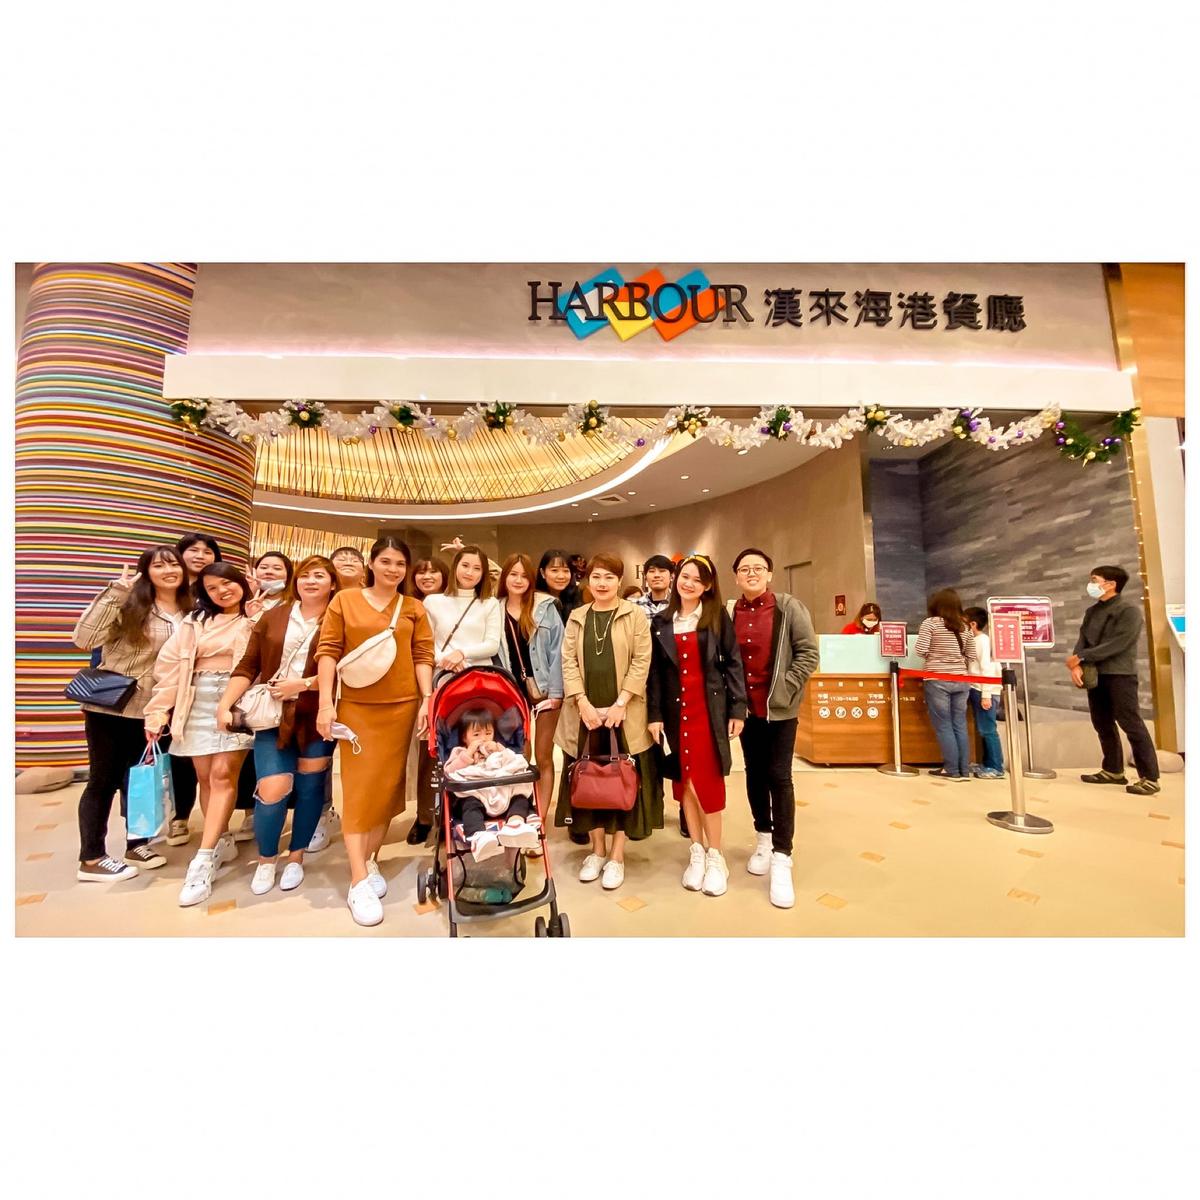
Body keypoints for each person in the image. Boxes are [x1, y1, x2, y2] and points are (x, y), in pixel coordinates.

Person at [315, 536, 435, 927]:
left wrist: (427, 699)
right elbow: (328, 652)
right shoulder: (345, 600)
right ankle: (358, 880)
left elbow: (423, 655)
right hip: (356, 708)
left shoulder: (414, 607)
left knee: (386, 788)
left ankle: (371, 859)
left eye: (400, 563)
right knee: (359, 790)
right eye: (386, 561)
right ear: (372, 563)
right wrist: (326, 704)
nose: (393, 569)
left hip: (401, 707)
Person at [218, 556, 339, 896]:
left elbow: (346, 669)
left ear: (332, 583)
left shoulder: (339, 618)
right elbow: (248, 664)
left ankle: (296, 856)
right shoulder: (274, 616)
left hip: (317, 716)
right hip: (272, 716)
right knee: (272, 788)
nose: (311, 581)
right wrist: (225, 705)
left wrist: (303, 684)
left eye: (319, 576)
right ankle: (267, 858)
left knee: (310, 788)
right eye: (305, 575)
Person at [72, 547, 190, 881]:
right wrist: (115, 593)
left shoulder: (190, 610)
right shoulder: (130, 604)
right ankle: (91, 858)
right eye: (159, 565)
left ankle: (136, 844)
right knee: (103, 780)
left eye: (174, 564)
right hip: (114, 706)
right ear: (146, 572)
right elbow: (83, 638)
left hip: (159, 710)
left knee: (140, 779)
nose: (168, 570)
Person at [144, 563, 256, 907]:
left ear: (241, 583)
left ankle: (203, 859)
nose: (222, 591)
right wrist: (158, 711)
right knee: (205, 777)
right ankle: (220, 837)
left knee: (223, 775)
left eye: (228, 583)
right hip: (194, 700)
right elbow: (170, 669)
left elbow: (263, 659)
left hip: (236, 701)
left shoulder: (255, 616)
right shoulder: (194, 623)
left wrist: (256, 616)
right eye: (212, 587)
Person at [554, 553, 659, 891]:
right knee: (589, 781)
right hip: (584, 713)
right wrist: (582, 702)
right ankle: (597, 850)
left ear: (619, 581)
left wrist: (621, 702)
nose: (602, 583)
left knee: (621, 779)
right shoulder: (577, 617)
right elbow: (568, 662)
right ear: (588, 581)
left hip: (623, 712)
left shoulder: (634, 615)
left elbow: (642, 661)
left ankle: (617, 855)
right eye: (596, 577)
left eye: (609, 577)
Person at [647, 554, 746, 897]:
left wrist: (738, 708)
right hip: (675, 714)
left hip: (708, 712)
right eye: (684, 576)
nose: (688, 583)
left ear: (707, 586)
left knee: (708, 783)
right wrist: (654, 715)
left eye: (697, 579)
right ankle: (697, 851)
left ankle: (716, 856)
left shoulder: (716, 617)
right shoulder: (661, 621)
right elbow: (655, 674)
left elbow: (733, 663)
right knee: (684, 783)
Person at [728, 548, 819, 909]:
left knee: (779, 777)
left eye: (758, 568)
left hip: (779, 710)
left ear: (769, 574)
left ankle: (783, 855)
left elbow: (808, 652)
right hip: (745, 711)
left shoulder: (788, 607)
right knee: (754, 773)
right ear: (736, 576)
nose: (751, 573)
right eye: (744, 569)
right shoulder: (730, 612)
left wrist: (787, 687)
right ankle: (763, 839)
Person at [410, 544, 502, 844]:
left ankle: (472, 813)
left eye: (477, 568)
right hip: (442, 680)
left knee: (474, 744)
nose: (470, 573)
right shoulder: (434, 601)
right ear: (455, 567)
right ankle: (427, 816)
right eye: (465, 566)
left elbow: (491, 644)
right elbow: (425, 641)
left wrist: (462, 653)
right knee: (435, 748)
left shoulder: (489, 604)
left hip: (477, 684)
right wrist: (446, 659)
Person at [1067, 565, 1161, 796]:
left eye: (1094, 580)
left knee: (1130, 723)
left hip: (1120, 674)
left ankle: (1150, 777)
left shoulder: (1129, 611)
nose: (1091, 584)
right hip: (1095, 673)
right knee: (1102, 722)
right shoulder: (1092, 611)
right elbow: (1083, 639)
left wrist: (1083, 657)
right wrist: (1077, 663)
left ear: (1110, 584)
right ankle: (1113, 770)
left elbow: (1119, 643)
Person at [495, 553, 565, 832]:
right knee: (519, 757)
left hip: (545, 689)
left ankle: (541, 820)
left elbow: (559, 651)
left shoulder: (545, 606)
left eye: (524, 575)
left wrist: (556, 693)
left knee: (544, 756)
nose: (518, 580)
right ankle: (519, 815)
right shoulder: (493, 609)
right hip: (511, 692)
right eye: (513, 574)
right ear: (505, 577)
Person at [168, 531, 223, 844]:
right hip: (174, 685)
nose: (200, 556)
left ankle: (220, 826)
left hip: (213, 692)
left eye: (207, 551)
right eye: (194, 550)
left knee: (221, 767)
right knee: (180, 757)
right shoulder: (170, 593)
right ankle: (180, 815)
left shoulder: (220, 595)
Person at [444, 708, 540, 861]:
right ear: (464, 737)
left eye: (488, 733)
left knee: (520, 796)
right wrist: (468, 754)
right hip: (476, 795)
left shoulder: (498, 751)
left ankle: (515, 823)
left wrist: (500, 750)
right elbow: (449, 771)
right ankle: (478, 835)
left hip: (502, 793)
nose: (483, 739)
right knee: (469, 804)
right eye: (476, 735)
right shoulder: (460, 752)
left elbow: (515, 763)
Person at [914, 588, 979, 783]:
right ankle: (963, 769)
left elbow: (921, 650)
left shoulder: (930, 624)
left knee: (943, 725)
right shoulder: (964, 626)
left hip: (937, 680)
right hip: (961, 680)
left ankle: (951, 769)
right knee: (959, 723)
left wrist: (936, 657)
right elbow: (971, 655)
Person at [964, 607, 1005, 780]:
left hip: (984, 690)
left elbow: (986, 668)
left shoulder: (982, 641)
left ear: (973, 624)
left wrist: (986, 694)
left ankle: (996, 767)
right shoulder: (978, 640)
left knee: (988, 729)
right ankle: (987, 763)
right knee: (983, 728)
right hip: (977, 688)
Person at [536, 548, 583, 625]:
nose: (561, 576)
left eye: (566, 571)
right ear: (543, 573)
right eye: (554, 570)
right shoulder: (535, 600)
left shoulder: (578, 597)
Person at [635, 554, 675, 620]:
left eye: (662, 571)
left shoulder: (680, 603)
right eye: (652, 571)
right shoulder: (636, 606)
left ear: (672, 576)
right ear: (645, 577)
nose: (657, 575)